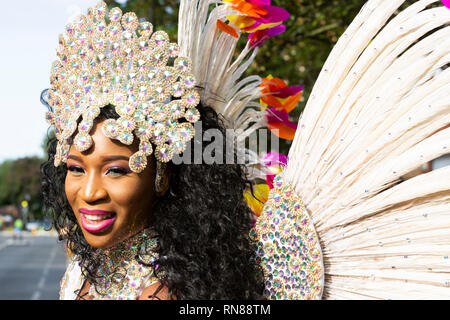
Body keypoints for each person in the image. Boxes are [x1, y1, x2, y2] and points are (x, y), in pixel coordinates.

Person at [41, 0, 450, 300]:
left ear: (162, 176)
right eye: (76, 168)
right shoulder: (80, 270)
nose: (89, 192)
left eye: (115, 170)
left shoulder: (180, 291)